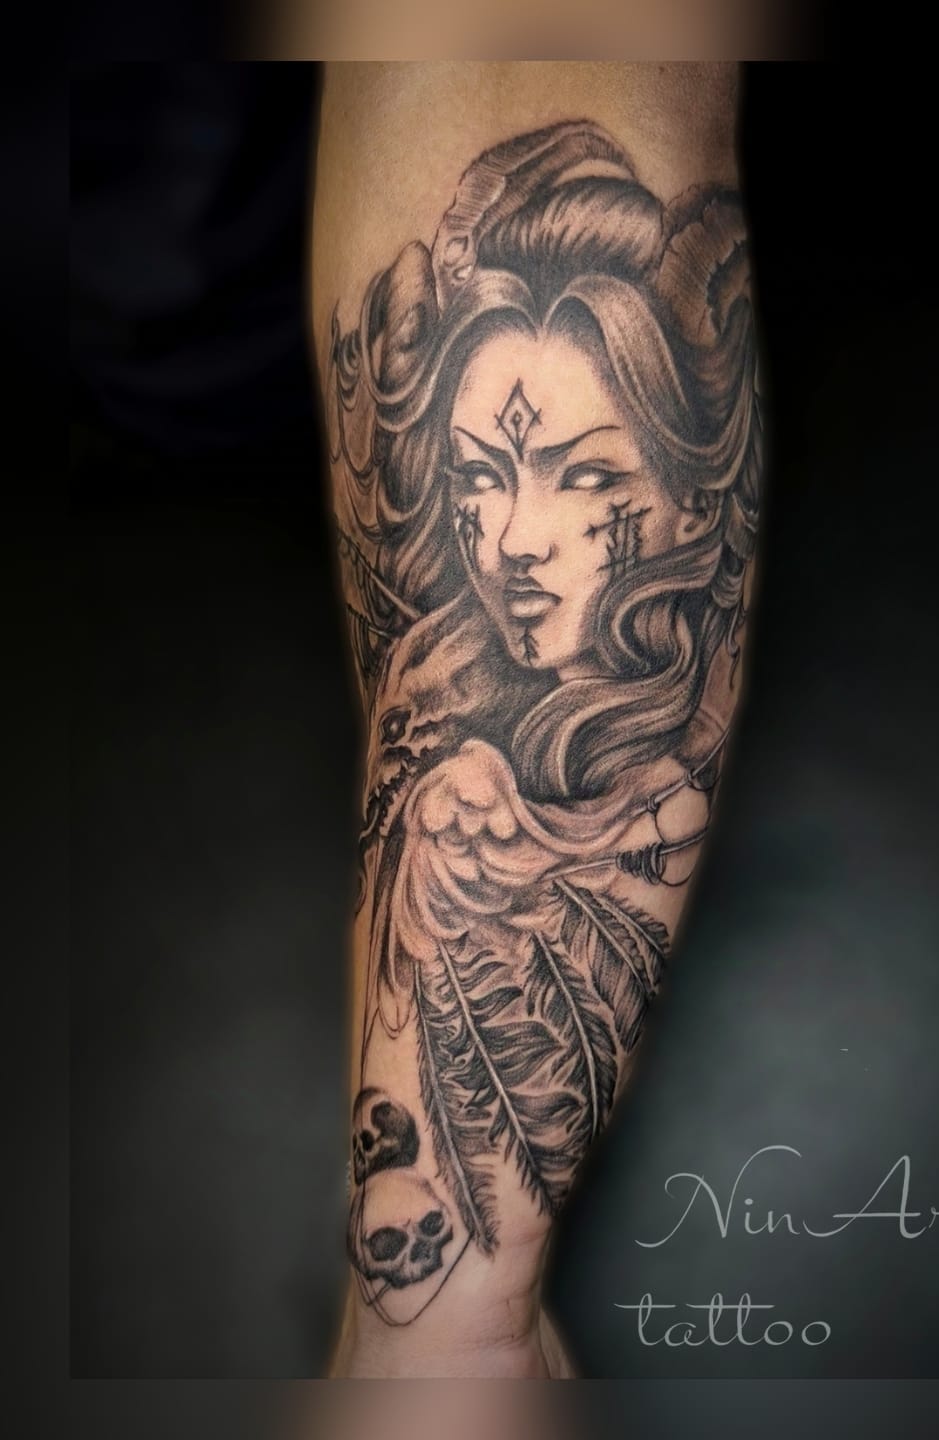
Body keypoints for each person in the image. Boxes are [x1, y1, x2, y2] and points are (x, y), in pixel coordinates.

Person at [313, 62, 759, 1377]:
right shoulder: (441, 701)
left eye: (580, 476)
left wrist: (450, 1341)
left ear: (689, 486)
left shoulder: (635, 750)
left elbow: (527, 52)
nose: (512, 539)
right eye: (481, 474)